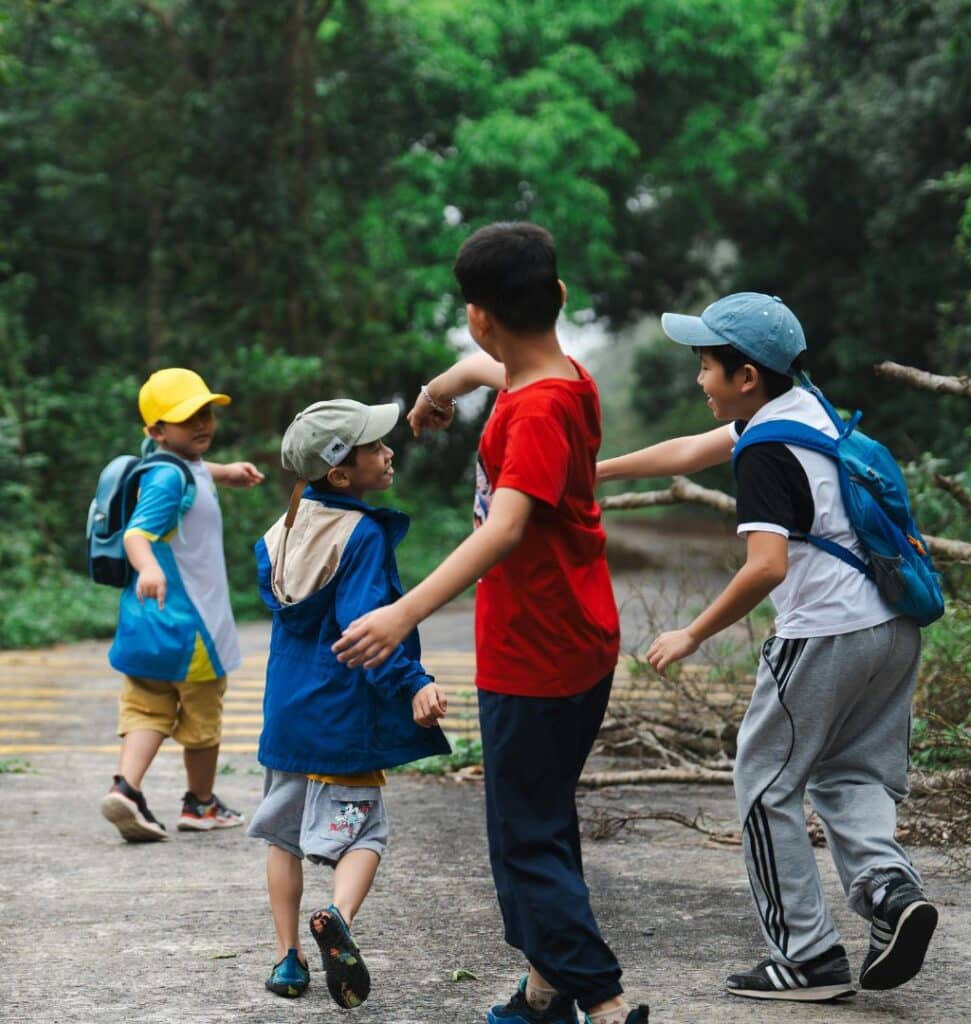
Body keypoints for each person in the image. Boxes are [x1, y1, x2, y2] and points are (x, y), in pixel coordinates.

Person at [333, 222, 649, 1024]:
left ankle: (606, 1003)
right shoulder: (563, 378)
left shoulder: (535, 411)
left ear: (479, 315)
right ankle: (543, 996)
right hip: (577, 637)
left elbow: (504, 529)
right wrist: (435, 394)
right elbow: (483, 369)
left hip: (537, 653)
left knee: (524, 842)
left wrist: (403, 611)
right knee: (542, 819)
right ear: (558, 297)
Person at [597, 292, 938, 1002]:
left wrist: (692, 632)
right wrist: (593, 472)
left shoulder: (762, 452)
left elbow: (766, 567)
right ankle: (890, 892)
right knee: (850, 775)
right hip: (892, 627)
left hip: (823, 634)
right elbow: (688, 450)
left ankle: (806, 957)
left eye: (706, 366)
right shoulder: (806, 411)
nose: (699, 379)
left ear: (746, 375)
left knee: (764, 784)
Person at [246, 397, 451, 1007]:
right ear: (340, 474)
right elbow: (365, 629)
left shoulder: (278, 535)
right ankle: (337, 916)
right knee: (366, 834)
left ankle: (288, 959)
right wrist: (413, 682)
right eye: (375, 447)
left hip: (287, 718)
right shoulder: (362, 533)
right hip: (342, 719)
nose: (388, 453)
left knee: (283, 837)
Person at [100, 367, 264, 842]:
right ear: (156, 431)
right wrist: (149, 567)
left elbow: (195, 471)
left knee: (147, 707)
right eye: (187, 418)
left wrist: (228, 473)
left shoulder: (168, 465)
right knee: (202, 718)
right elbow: (137, 534)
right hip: (191, 627)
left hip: (145, 623)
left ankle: (126, 789)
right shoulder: (168, 481)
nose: (202, 424)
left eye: (205, 413)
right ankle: (201, 803)